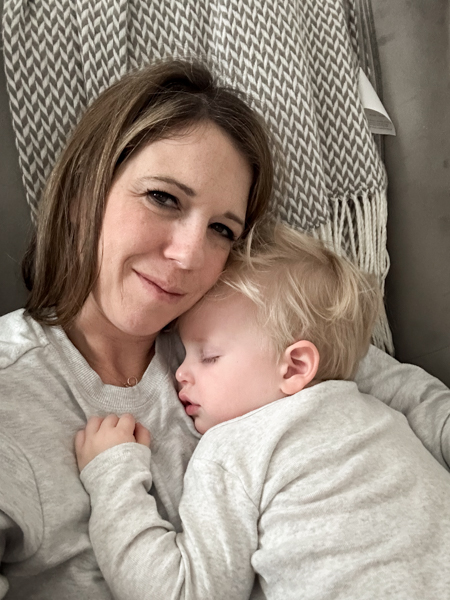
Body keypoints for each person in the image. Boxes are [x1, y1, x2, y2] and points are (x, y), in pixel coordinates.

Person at [0, 58, 449, 600]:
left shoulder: (247, 324)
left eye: (221, 229)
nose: (189, 256)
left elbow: (411, 398)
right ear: (82, 197)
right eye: (163, 198)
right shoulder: (13, 392)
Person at [75, 224, 450, 600]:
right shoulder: (384, 415)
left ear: (295, 366)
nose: (180, 373)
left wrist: (112, 475)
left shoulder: (234, 448)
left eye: (209, 356)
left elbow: (183, 592)